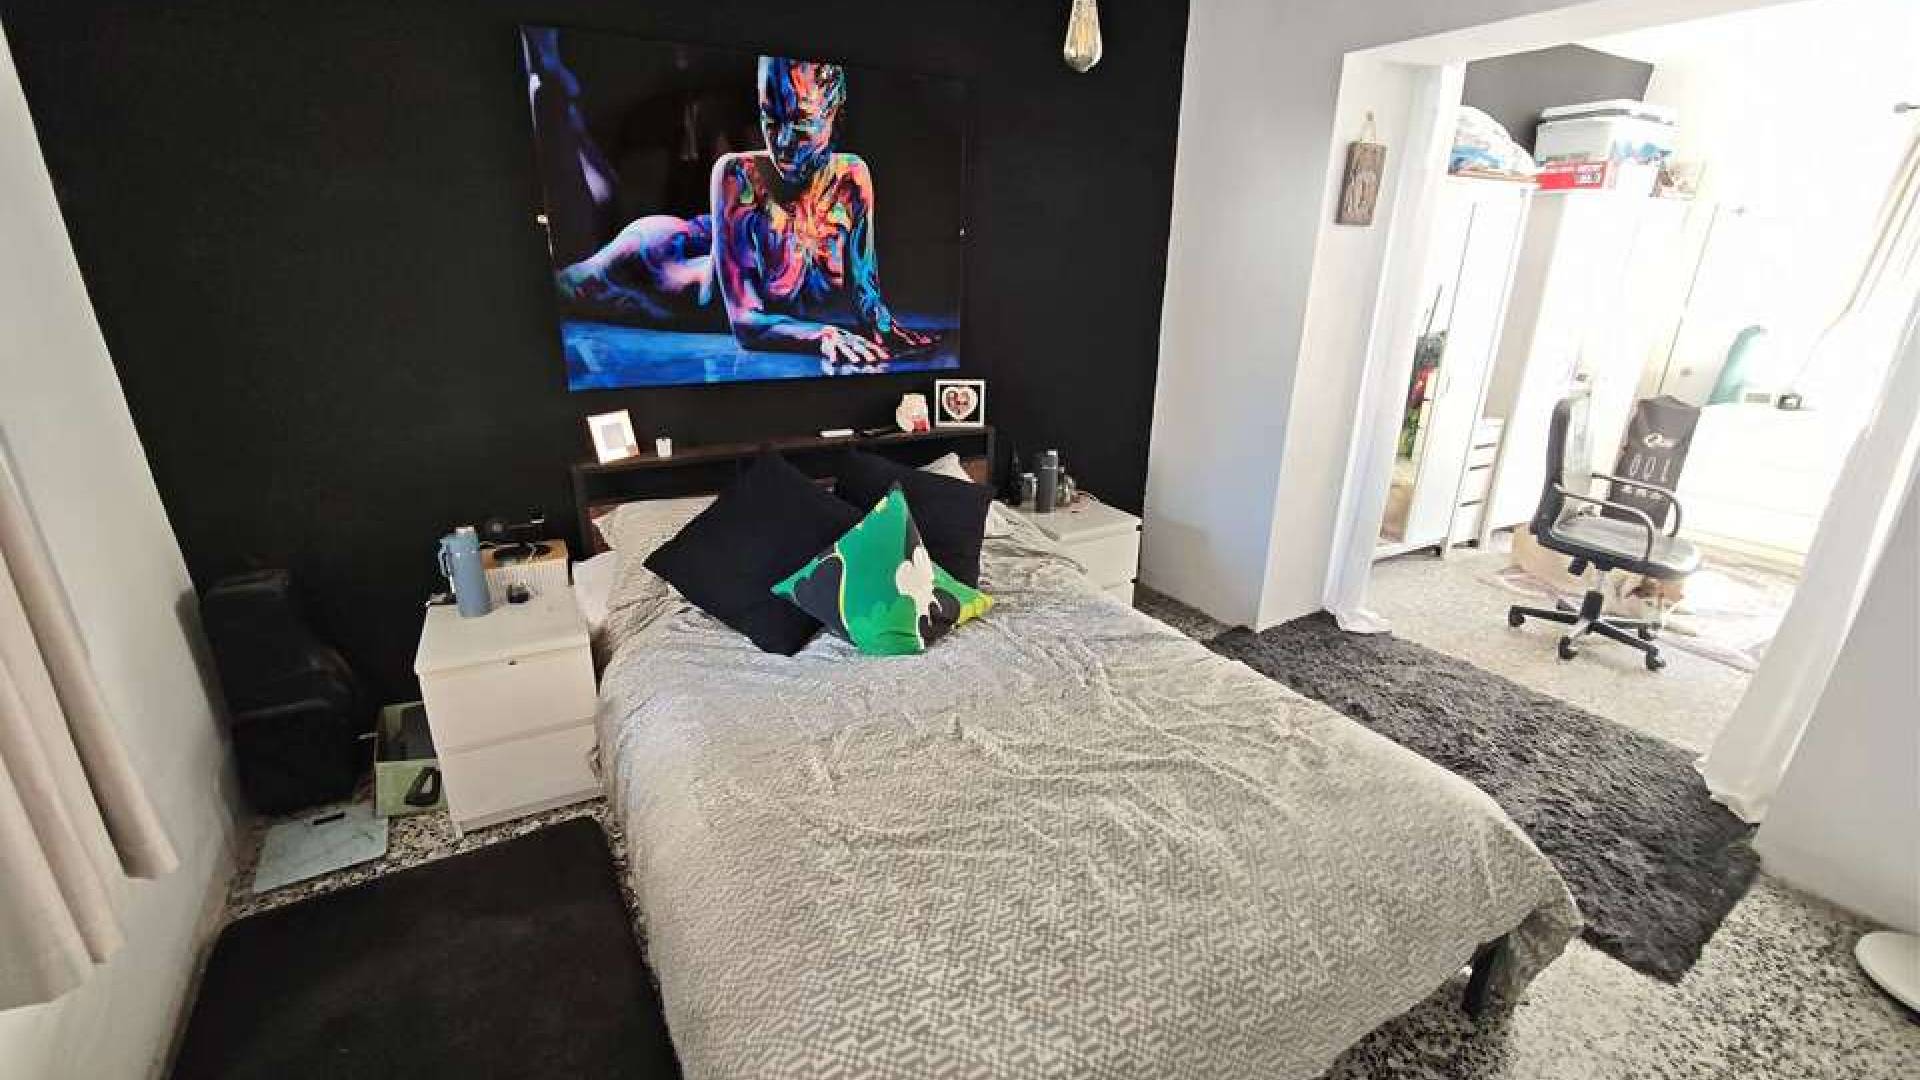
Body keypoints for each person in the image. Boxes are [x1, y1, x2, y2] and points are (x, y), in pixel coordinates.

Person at [555, 56, 936, 370]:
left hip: (710, 241)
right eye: (770, 118)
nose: (781, 143)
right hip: (656, 262)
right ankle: (554, 93)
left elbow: (868, 300)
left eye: (801, 124)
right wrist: (821, 335)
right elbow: (746, 322)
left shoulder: (851, 176)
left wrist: (884, 327)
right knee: (564, 286)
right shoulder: (737, 173)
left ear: (834, 113)